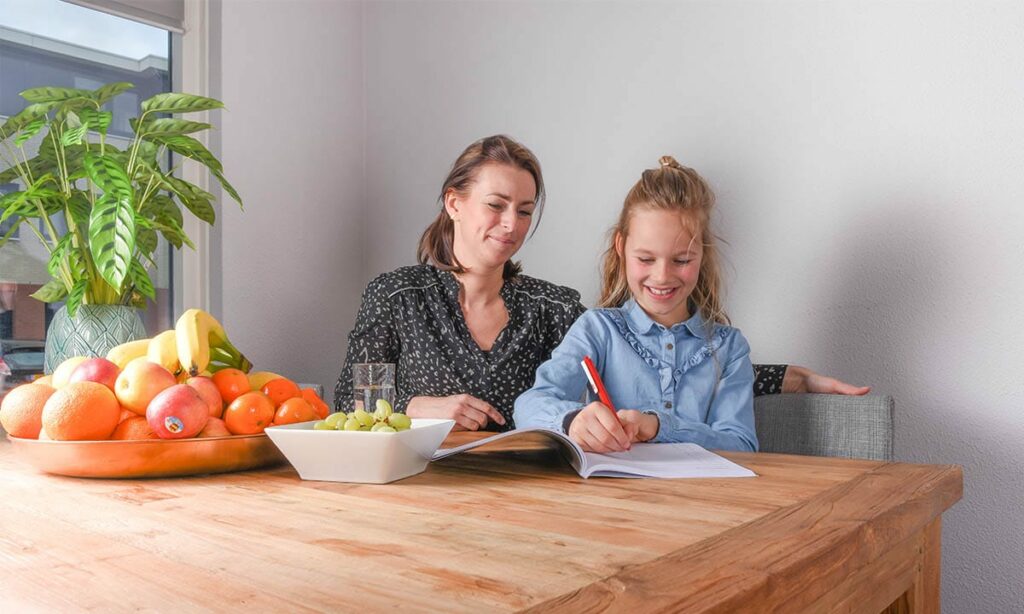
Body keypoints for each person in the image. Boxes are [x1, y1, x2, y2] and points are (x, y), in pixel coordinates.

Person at [335, 136, 867, 432]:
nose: (511, 224)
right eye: (496, 205)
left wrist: (789, 378)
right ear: (454, 202)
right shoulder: (396, 295)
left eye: (524, 210)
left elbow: (644, 351)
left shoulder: (550, 306)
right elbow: (347, 401)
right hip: (416, 490)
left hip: (531, 497)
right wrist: (414, 405)